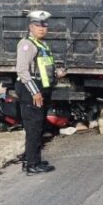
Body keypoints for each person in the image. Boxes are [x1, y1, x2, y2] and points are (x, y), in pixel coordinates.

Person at [16, 10, 65, 175]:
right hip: (31, 91)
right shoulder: (26, 44)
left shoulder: (42, 44)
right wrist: (34, 92)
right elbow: (22, 70)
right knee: (33, 128)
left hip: (41, 90)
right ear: (31, 27)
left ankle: (32, 159)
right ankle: (32, 165)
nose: (42, 28)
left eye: (44, 25)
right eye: (38, 25)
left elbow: (42, 69)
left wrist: (57, 73)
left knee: (38, 126)